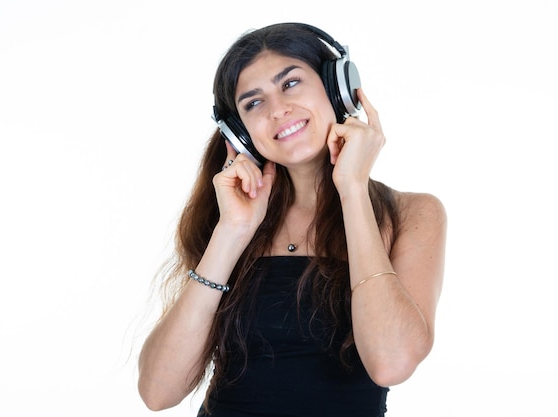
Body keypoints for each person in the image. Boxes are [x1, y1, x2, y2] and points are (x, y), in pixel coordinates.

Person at [137, 22, 447, 417]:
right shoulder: (232, 217)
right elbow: (157, 392)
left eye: (291, 83)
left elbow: (391, 363)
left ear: (337, 88)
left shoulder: (412, 215)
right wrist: (231, 232)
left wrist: (352, 187)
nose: (278, 109)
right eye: (253, 103)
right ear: (240, 132)